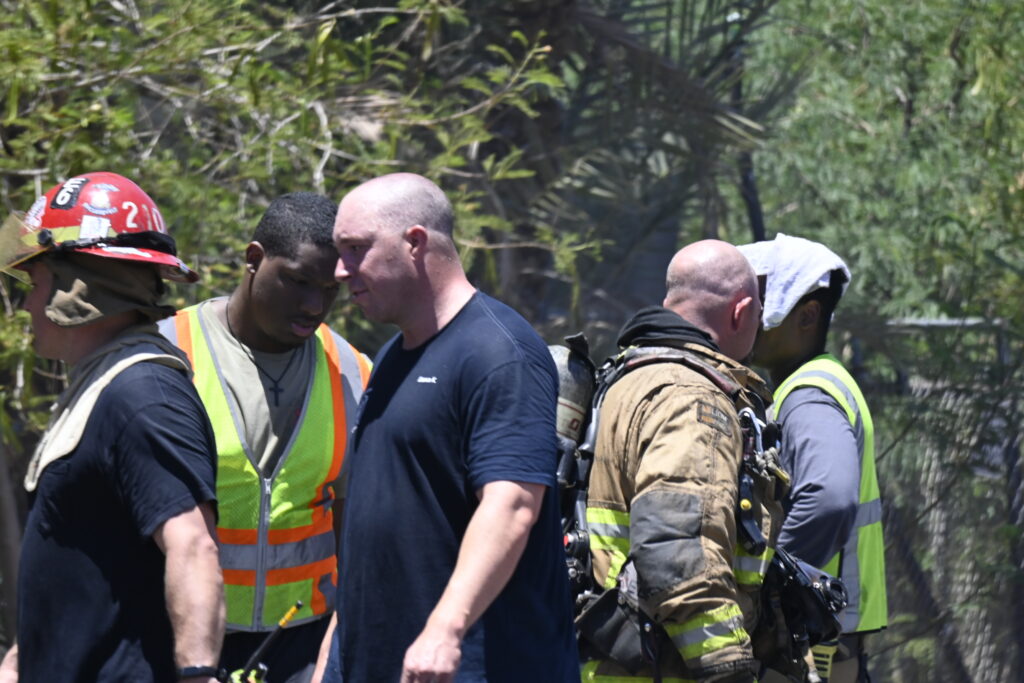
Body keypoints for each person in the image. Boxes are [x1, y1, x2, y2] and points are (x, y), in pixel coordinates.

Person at [316, 172, 579, 682]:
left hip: (469, 666)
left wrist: (445, 629)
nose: (340, 271)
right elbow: (378, 526)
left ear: (415, 243)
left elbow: (512, 505)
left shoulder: (500, 352)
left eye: (356, 249)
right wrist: (334, 653)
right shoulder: (392, 356)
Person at [0, 172, 224, 682]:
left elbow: (193, 545)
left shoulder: (144, 395)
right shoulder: (102, 384)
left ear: (75, 289)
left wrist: (198, 674)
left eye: (35, 285)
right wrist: (19, 661)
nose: (27, 306)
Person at [158, 192, 372, 682]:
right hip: (179, 643)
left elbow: (356, 528)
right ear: (254, 259)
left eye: (330, 289)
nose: (315, 305)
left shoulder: (353, 373)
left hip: (303, 648)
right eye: (298, 281)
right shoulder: (165, 354)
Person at [582, 240, 786, 682]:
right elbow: (677, 550)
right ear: (741, 312)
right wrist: (727, 667)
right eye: (759, 315)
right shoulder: (693, 401)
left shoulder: (627, 378)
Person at [738, 234, 887, 683]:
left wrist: (767, 594)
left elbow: (829, 498)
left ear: (807, 316)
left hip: (812, 648)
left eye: (763, 304)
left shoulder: (808, 395)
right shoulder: (814, 383)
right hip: (830, 641)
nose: (751, 317)